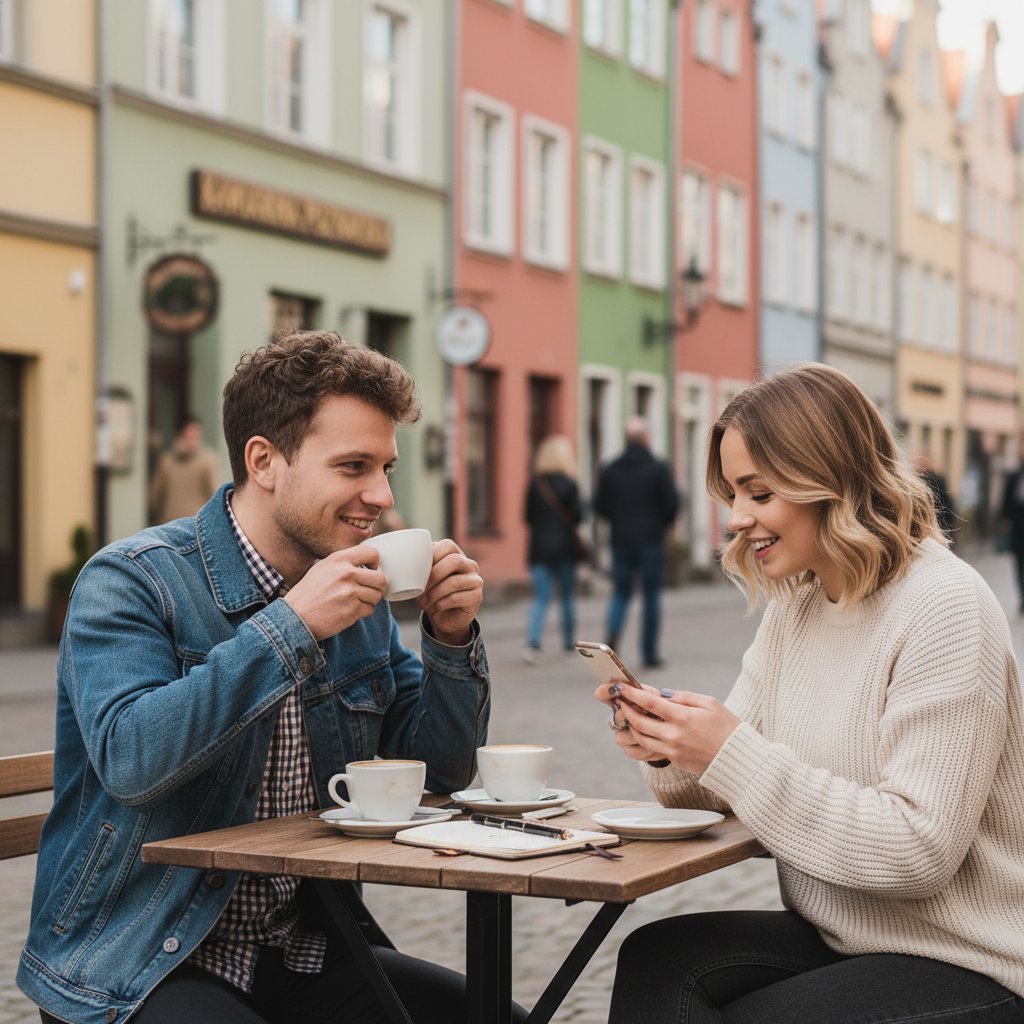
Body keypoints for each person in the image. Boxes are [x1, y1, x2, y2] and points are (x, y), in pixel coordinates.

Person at [19, 331, 527, 1024]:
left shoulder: (355, 592)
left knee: (498, 1017)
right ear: (264, 460)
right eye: (353, 466)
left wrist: (448, 638)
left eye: (386, 467)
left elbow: (443, 770)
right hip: (139, 957)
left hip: (306, 950)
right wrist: (292, 626)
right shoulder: (133, 581)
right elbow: (133, 760)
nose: (380, 494)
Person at [595, 364, 1024, 1023]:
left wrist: (728, 750)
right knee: (656, 957)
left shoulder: (945, 606)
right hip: (844, 935)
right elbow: (726, 773)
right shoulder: (798, 605)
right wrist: (672, 742)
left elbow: (919, 853)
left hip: (968, 955)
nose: (736, 518)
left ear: (830, 481)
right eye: (733, 493)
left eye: (757, 493)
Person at [593, 416, 680, 668]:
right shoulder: (658, 468)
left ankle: (612, 636)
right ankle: (649, 652)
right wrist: (660, 524)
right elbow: (672, 504)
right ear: (645, 438)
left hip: (620, 540)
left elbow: (599, 505)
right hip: (651, 540)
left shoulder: (611, 469)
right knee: (651, 596)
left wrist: (618, 520)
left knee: (620, 592)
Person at [522, 434, 584, 663]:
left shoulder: (535, 485)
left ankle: (533, 643)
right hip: (565, 548)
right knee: (567, 596)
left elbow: (527, 517)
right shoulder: (570, 484)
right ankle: (568, 642)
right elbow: (578, 516)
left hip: (539, 548)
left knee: (541, 597)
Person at [148, 414, 220, 523]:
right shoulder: (167, 462)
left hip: (178, 526)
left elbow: (153, 499)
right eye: (191, 432)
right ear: (181, 433)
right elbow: (154, 497)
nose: (194, 436)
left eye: (197, 432)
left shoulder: (167, 461)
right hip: (193, 526)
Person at [998, 449, 1024, 613]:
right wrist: (1004, 521)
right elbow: (1006, 499)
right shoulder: (1015, 474)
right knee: (1019, 562)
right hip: (1018, 527)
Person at [914, 450, 957, 544]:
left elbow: (946, 501)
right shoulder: (914, 479)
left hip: (938, 522)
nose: (920, 463)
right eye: (918, 461)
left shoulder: (937, 479)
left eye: (922, 461)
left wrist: (948, 522)